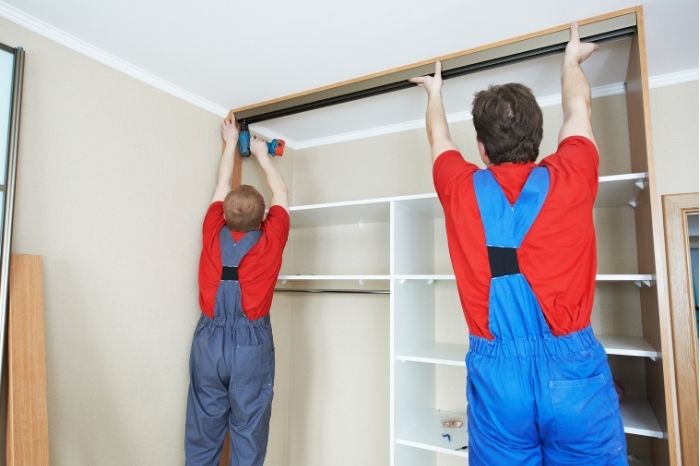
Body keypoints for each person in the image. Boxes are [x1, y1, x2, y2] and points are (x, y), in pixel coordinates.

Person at [410, 23, 627, 465]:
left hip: (499, 382)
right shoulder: (572, 174)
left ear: (482, 148)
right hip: (574, 376)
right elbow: (579, 109)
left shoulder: (459, 188)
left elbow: (438, 139)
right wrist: (570, 60)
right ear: (540, 136)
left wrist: (434, 94)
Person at [185, 114, 290, 466]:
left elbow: (221, 184)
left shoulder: (212, 232)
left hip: (209, 341)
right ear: (263, 221)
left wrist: (230, 141)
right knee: (249, 431)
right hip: (251, 347)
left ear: (223, 215)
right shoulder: (270, 241)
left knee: (203, 430)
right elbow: (281, 194)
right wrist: (262, 154)